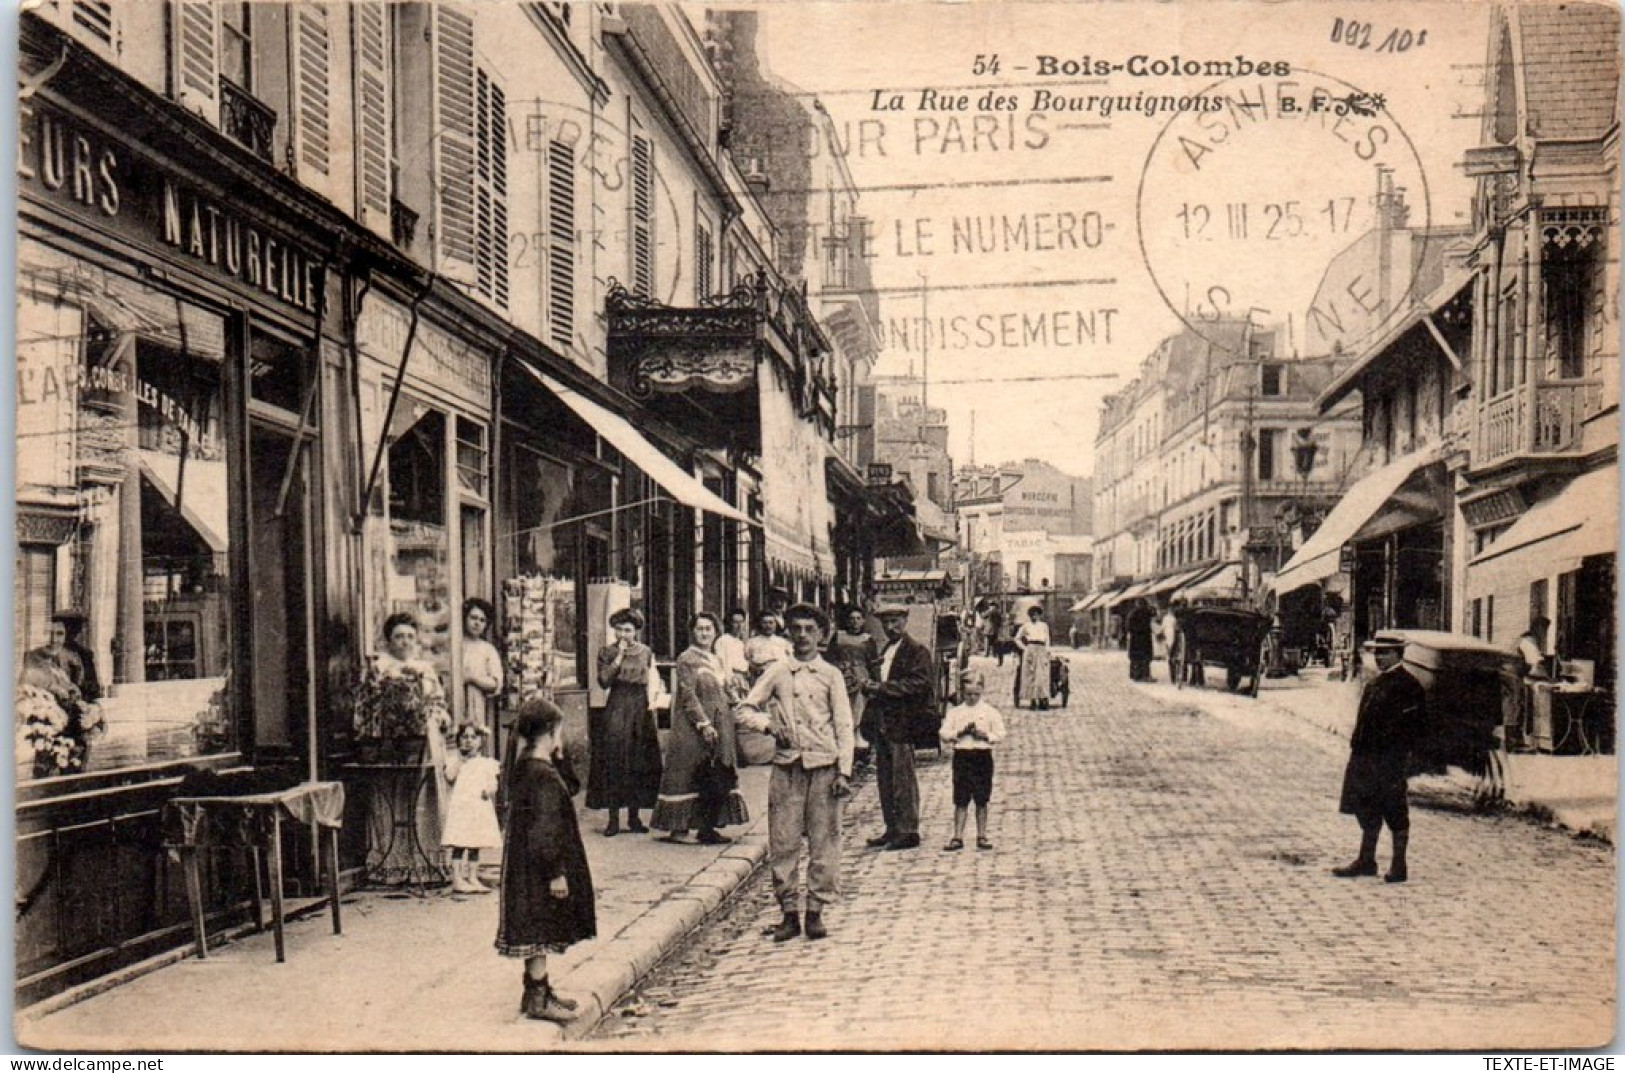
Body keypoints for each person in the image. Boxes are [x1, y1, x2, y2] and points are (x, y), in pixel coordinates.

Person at [737, 603, 854, 941]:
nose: (803, 636)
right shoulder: (777, 672)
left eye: (810, 630)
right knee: (783, 841)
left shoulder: (830, 675)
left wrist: (843, 772)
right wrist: (768, 724)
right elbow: (744, 709)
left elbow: (844, 725)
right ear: (788, 632)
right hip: (787, 769)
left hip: (825, 769)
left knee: (825, 841)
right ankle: (788, 912)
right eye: (797, 629)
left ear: (822, 636)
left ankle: (816, 910)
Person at [495, 698, 594, 1022]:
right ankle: (538, 997)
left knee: (536, 925)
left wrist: (560, 758)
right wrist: (556, 873)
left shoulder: (527, 766)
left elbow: (573, 786)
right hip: (539, 867)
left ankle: (537, 990)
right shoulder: (543, 778)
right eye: (559, 732)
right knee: (539, 925)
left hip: (525, 865)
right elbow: (545, 828)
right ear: (550, 732)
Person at [1333, 636, 1427, 884]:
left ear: (1399, 654)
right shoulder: (1375, 683)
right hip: (1365, 756)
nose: (1380, 658)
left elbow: (1414, 728)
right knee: (1365, 805)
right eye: (1377, 653)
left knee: (1394, 808)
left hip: (1389, 758)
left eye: (1385, 653)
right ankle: (1367, 860)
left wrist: (1403, 757)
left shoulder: (1409, 686)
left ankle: (1399, 865)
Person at [652, 612, 750, 845]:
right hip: (693, 727)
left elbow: (724, 688)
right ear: (692, 632)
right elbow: (687, 694)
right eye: (700, 629)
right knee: (689, 772)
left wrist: (737, 700)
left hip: (721, 723)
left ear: (716, 632)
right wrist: (702, 722)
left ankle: (708, 827)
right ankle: (678, 829)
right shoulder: (686, 659)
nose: (704, 633)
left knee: (715, 773)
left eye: (709, 629)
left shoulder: (715, 659)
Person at [860, 603, 935, 852]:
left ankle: (908, 830)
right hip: (883, 720)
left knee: (903, 777)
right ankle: (892, 828)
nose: (890, 627)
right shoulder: (887, 649)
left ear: (905, 621)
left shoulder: (917, 651)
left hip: (904, 722)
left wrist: (881, 688)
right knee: (885, 777)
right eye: (886, 623)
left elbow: (920, 684)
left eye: (895, 622)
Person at [587, 608, 661, 837]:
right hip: (617, 705)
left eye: (628, 630)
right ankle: (613, 819)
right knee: (615, 759)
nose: (623, 634)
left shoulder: (646, 652)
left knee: (638, 760)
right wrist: (618, 657)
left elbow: (651, 680)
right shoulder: (607, 652)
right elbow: (603, 681)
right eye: (619, 629)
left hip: (640, 706)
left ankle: (634, 817)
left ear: (636, 631)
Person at [939, 669, 1006, 852]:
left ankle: (981, 835)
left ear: (982, 690)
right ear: (962, 691)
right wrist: (959, 733)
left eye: (976, 694)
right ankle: (958, 836)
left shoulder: (990, 712)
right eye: (968, 694)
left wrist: (985, 735)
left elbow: (1000, 734)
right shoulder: (955, 712)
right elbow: (944, 733)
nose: (972, 698)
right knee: (960, 798)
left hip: (982, 757)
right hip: (962, 756)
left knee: (981, 798)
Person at [443, 723, 501, 894]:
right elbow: (449, 777)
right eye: (465, 737)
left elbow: (493, 783)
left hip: (478, 808)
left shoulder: (486, 763)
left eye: (473, 737)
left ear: (480, 741)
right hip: (462, 808)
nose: (469, 741)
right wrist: (460, 761)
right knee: (460, 843)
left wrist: (489, 790)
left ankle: (473, 877)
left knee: (476, 843)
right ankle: (457, 878)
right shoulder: (455, 761)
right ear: (459, 740)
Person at [826, 606, 880, 766]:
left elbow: (873, 663)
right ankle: (842, 749)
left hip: (861, 679)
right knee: (842, 711)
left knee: (860, 713)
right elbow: (829, 657)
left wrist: (876, 682)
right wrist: (839, 666)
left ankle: (861, 749)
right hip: (842, 677)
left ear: (863, 621)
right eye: (851, 618)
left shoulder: (867, 639)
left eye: (858, 618)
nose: (855, 622)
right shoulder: (839, 636)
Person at [460, 598, 504, 739]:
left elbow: (495, 684)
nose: (477, 623)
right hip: (454, 700)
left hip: (476, 703)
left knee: (473, 738)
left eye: (482, 620)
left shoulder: (487, 649)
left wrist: (472, 678)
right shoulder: (456, 644)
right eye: (473, 618)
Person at [1015, 605, 1053, 710]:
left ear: (1039, 615)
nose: (1034, 617)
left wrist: (1047, 650)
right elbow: (1017, 638)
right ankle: (1032, 700)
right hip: (1030, 650)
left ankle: (1042, 699)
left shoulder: (1044, 626)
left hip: (1041, 650)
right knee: (1030, 676)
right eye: (1032, 615)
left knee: (1041, 676)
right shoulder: (1026, 626)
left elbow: (1047, 639)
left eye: (1036, 615)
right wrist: (1024, 648)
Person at [744, 609, 793, 683]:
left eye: (771, 623)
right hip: (759, 678)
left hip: (780, 678)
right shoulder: (752, 642)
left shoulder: (783, 642)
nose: (768, 626)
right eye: (765, 623)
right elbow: (747, 661)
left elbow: (791, 660)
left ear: (775, 624)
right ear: (760, 624)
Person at [714, 607, 751, 698]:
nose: (739, 625)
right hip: (731, 679)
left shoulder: (741, 642)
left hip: (743, 680)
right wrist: (730, 681)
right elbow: (722, 663)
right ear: (729, 624)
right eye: (735, 622)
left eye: (741, 622)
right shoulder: (723, 640)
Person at [1126, 599, 1156, 681]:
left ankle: (1135, 675)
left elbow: (1128, 627)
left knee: (1136, 658)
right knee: (1145, 658)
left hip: (1135, 639)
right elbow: (1154, 613)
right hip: (1144, 638)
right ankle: (1145, 675)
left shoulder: (1132, 613)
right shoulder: (1146, 612)